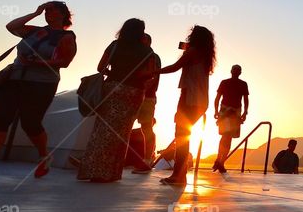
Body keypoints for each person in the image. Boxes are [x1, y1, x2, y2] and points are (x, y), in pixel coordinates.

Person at [0, 2, 76, 178]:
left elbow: (64, 62)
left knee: (30, 123)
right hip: (14, 79)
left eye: (52, 10)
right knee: (1, 119)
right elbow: (11, 26)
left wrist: (35, 63)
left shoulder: (67, 37)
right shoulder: (34, 31)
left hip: (41, 84)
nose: (47, 13)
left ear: (63, 14)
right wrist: (36, 12)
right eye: (46, 10)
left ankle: (44, 155)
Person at [77, 19, 155, 183]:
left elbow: (100, 67)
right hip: (133, 92)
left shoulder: (114, 45)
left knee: (101, 129)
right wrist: (134, 75)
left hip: (112, 88)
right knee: (121, 132)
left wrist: (115, 73)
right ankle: (110, 173)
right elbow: (150, 73)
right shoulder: (147, 51)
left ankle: (92, 169)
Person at [155, 26, 215, 185]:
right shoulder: (205, 54)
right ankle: (179, 174)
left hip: (189, 99)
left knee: (181, 136)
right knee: (183, 136)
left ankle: (178, 175)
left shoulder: (193, 52)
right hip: (201, 101)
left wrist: (153, 72)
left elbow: (175, 67)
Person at [132, 33, 162, 173]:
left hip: (146, 97)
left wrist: (142, 91)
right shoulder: (137, 55)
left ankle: (147, 160)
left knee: (146, 127)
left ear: (148, 42)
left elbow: (153, 77)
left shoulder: (153, 57)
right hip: (134, 94)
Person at [212, 64, 249, 174]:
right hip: (225, 111)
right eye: (235, 70)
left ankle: (220, 161)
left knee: (228, 137)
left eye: (238, 70)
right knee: (225, 136)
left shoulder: (243, 84)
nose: (236, 72)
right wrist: (216, 111)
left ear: (240, 73)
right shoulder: (224, 82)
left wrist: (245, 112)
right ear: (231, 71)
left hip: (235, 112)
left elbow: (246, 99)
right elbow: (217, 98)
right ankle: (220, 160)